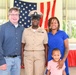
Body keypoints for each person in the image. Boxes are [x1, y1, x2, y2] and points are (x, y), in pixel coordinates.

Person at [21, 10, 48, 75]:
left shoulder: (43, 31)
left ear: (39, 20)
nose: (35, 20)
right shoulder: (26, 31)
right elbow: (22, 45)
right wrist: (22, 58)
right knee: (28, 73)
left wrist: (46, 59)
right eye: (33, 19)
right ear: (31, 20)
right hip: (28, 55)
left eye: (37, 19)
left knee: (39, 73)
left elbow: (46, 46)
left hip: (39, 55)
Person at [0, 7, 24, 75]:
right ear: (8, 16)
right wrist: (1, 61)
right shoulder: (2, 28)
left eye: (16, 14)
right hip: (5, 60)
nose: (14, 16)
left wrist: (21, 60)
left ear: (19, 16)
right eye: (12, 14)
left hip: (17, 60)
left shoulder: (22, 29)